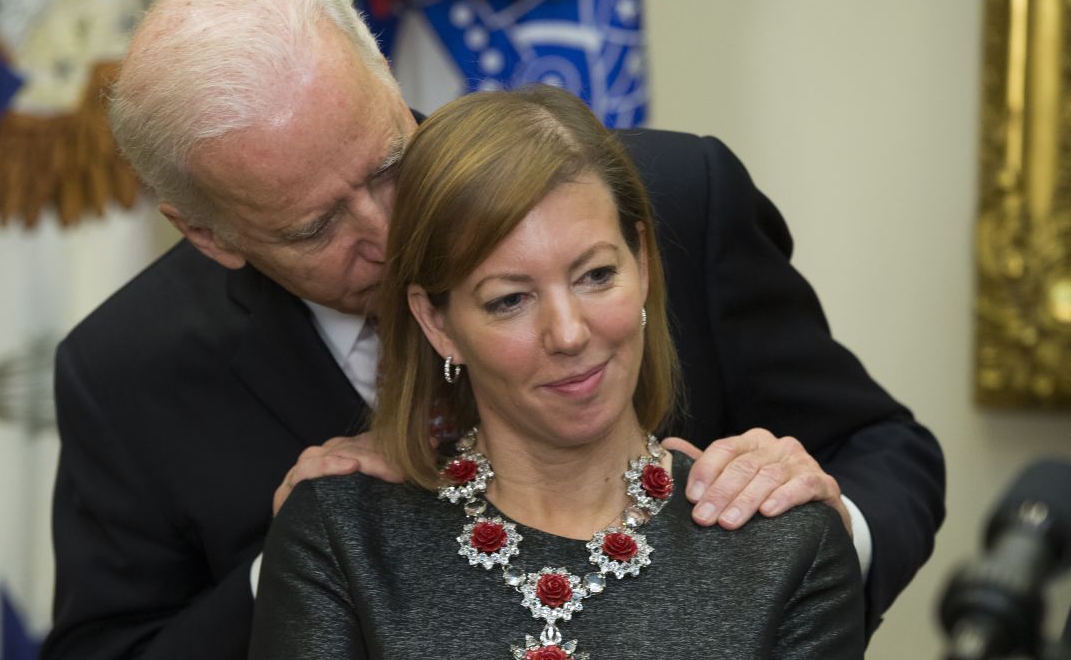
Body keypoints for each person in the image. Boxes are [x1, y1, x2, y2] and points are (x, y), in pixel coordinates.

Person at [42, 0, 943, 659]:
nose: (389, 232)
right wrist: (287, 573)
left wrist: (808, 545)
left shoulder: (672, 199)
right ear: (211, 236)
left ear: (388, 82)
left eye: (389, 164)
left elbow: (886, 450)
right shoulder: (127, 370)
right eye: (317, 227)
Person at [250, 84, 865, 658]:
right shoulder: (339, 537)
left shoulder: (787, 546)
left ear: (643, 264)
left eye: (597, 275)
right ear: (437, 324)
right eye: (509, 300)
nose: (569, 334)